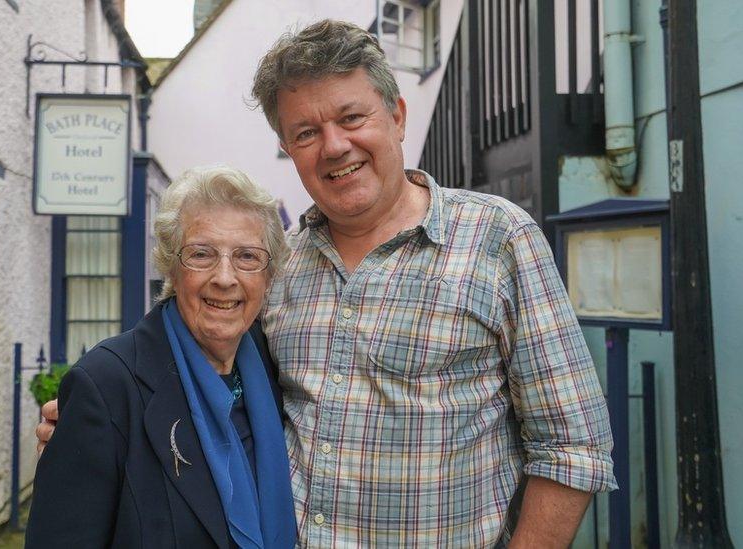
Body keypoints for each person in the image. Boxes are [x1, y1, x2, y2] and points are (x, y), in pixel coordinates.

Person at [39, 20, 616, 547]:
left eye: (351, 117)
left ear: (396, 114)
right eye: (307, 131)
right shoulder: (276, 266)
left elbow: (573, 447)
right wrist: (101, 424)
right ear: (288, 148)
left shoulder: (497, 238)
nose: (335, 145)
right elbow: (205, 379)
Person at [25, 166, 297, 548]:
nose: (224, 277)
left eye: (247, 257)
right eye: (201, 254)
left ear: (268, 276)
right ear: (170, 265)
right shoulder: (106, 385)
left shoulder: (274, 367)